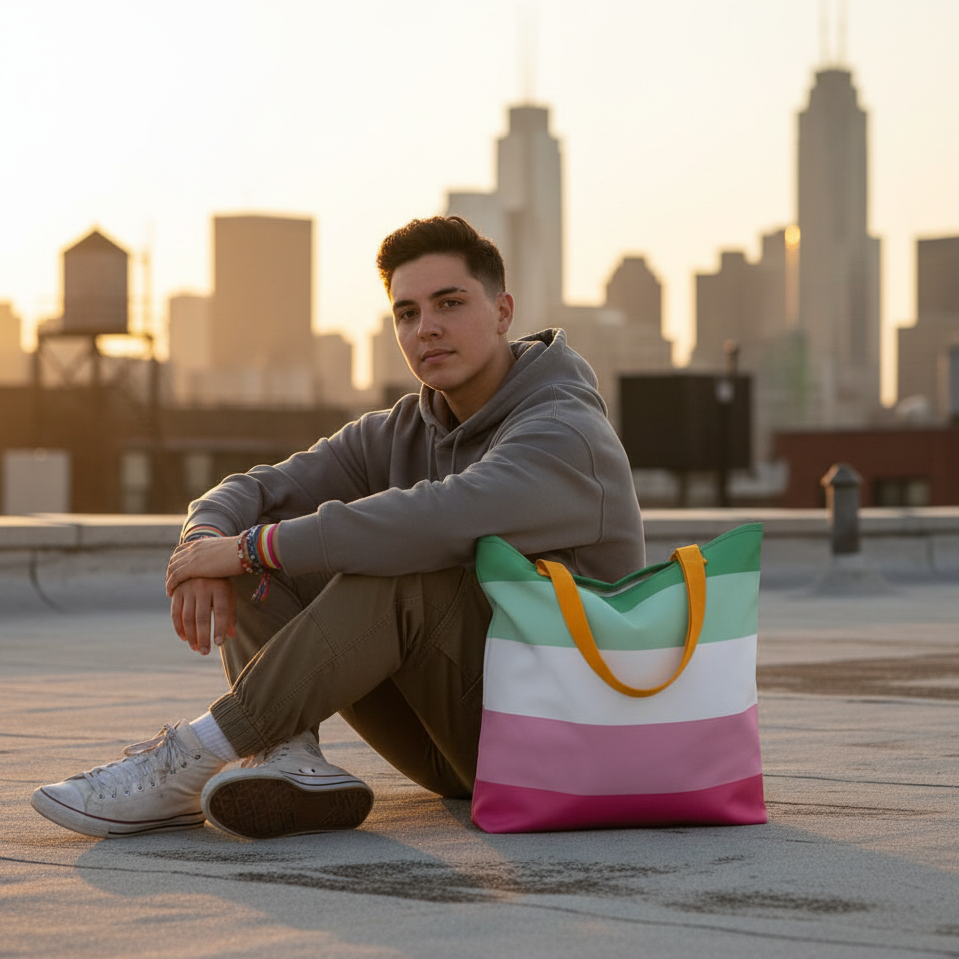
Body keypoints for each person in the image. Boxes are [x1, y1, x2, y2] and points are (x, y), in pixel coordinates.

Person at [31, 215, 645, 840]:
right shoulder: (402, 429)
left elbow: (441, 516)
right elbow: (257, 488)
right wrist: (201, 548)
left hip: (566, 740)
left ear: (503, 311)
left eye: (450, 303)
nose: (426, 326)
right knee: (257, 563)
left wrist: (247, 548)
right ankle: (286, 758)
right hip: (457, 747)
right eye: (407, 313)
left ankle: (195, 753)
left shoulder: (565, 430)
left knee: (397, 570)